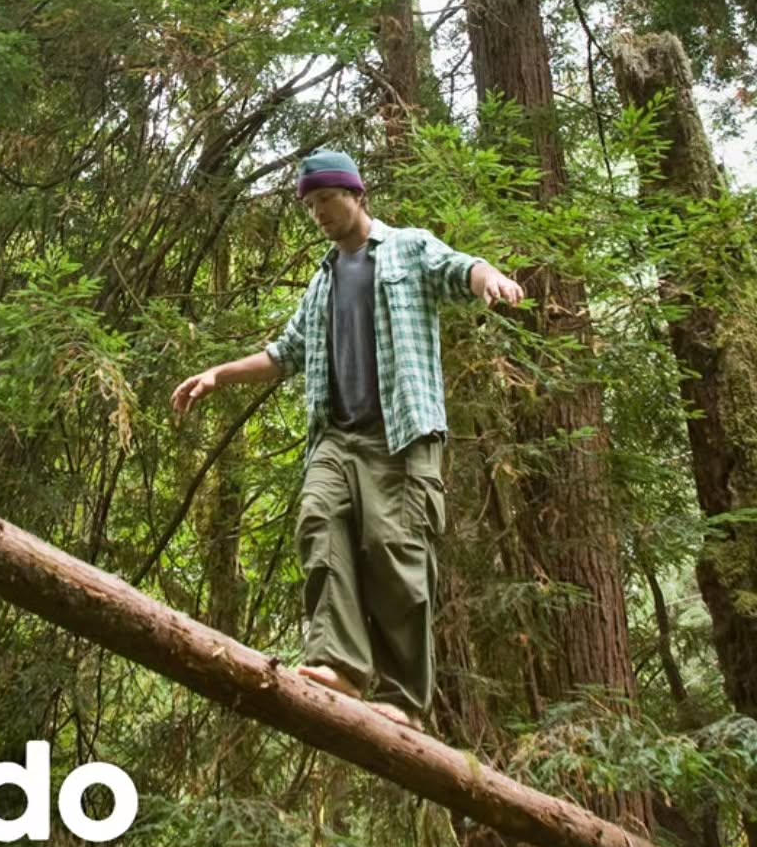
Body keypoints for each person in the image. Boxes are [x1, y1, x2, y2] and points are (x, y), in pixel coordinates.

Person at [171, 149, 523, 730]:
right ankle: (340, 664)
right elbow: (284, 353)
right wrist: (218, 375)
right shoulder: (322, 283)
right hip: (336, 437)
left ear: (357, 195)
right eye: (310, 205)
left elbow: (461, 269)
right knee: (318, 521)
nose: (319, 213)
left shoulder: (407, 248)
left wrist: (493, 281)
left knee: (393, 550)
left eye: (327, 200)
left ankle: (405, 700)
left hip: (401, 434)